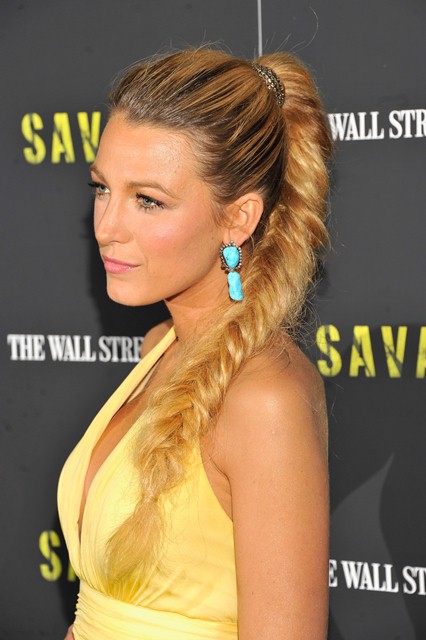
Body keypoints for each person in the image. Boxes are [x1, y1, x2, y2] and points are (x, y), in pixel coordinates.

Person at [58, 47, 332, 640]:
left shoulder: (264, 400)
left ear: (238, 219)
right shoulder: (160, 347)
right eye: (102, 188)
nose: (106, 227)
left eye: (148, 200)